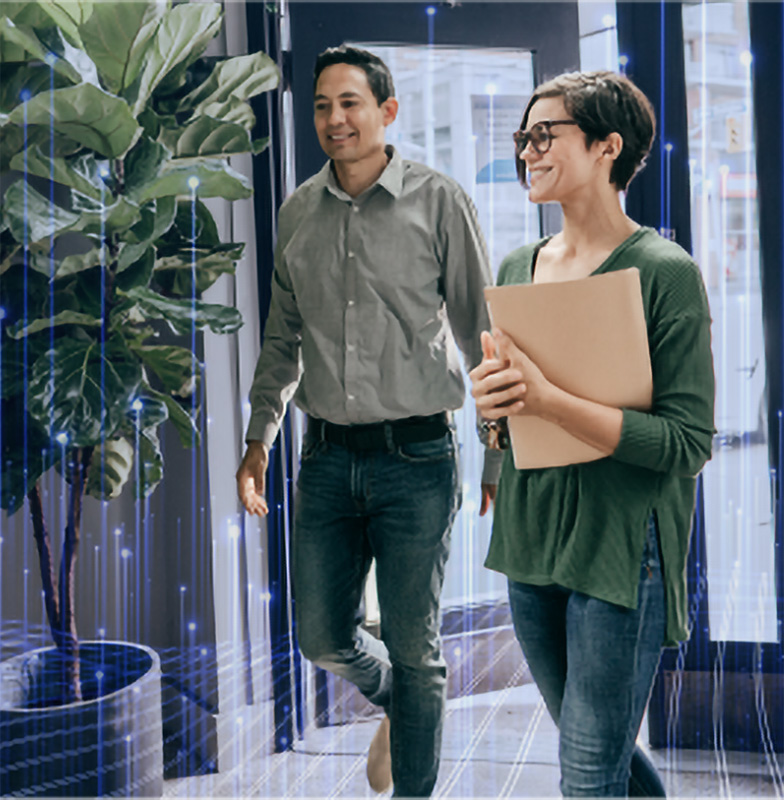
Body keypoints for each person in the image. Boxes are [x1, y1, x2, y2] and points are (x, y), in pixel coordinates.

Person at [236, 45, 497, 798]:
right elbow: (283, 338)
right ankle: (405, 707)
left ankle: (413, 763)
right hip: (324, 460)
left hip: (416, 458)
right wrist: (259, 438)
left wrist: (497, 451)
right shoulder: (297, 211)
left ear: (386, 111)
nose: (333, 119)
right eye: (321, 105)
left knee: (417, 650)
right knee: (320, 636)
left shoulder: (440, 201)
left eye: (349, 103)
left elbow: (484, 333)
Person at [469, 70, 715, 797]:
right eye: (524, 137)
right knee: (601, 759)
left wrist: (548, 399)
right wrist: (492, 408)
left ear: (609, 147)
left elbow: (686, 444)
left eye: (545, 135)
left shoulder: (665, 273)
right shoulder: (519, 265)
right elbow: (506, 429)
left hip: (621, 547)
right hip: (530, 541)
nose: (528, 152)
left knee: (585, 774)